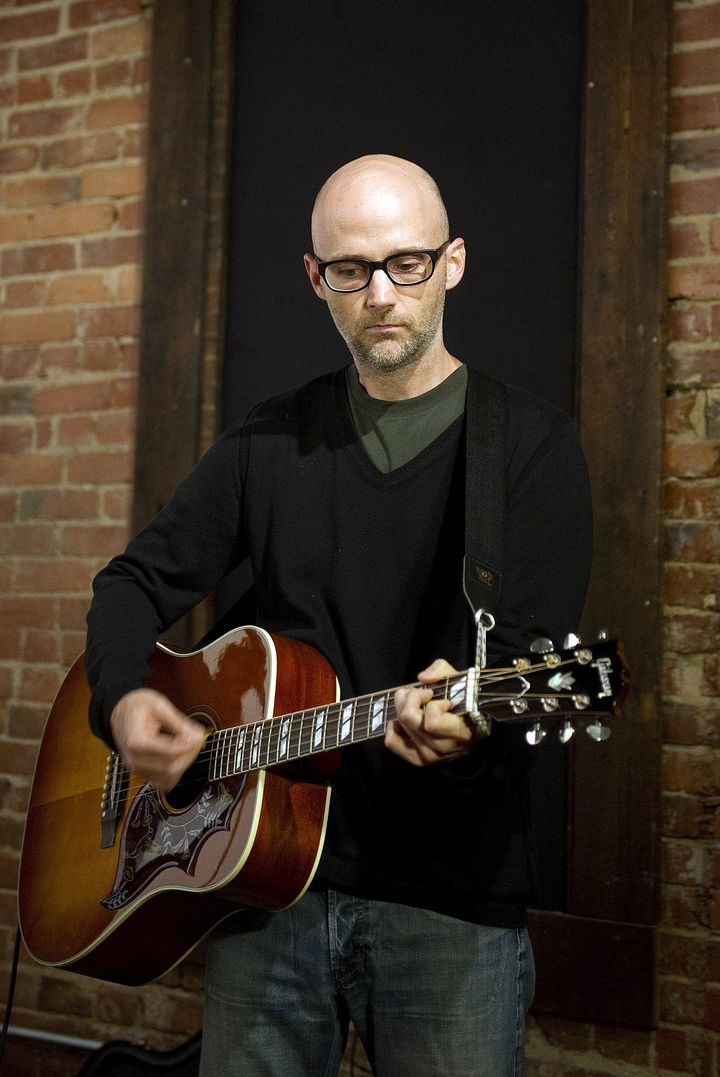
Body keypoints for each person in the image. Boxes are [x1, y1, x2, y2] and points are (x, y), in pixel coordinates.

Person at [86, 154, 593, 1076]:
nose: (383, 294)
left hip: (449, 907)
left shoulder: (530, 448)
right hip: (264, 889)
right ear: (316, 280)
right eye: (352, 271)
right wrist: (122, 702)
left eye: (408, 263)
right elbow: (131, 583)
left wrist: (469, 719)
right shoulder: (270, 439)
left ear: (455, 263)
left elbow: (520, 664)